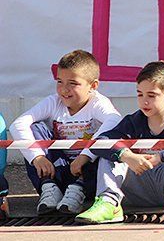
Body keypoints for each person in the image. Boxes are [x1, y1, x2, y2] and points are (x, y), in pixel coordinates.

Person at [75, 62, 164, 224]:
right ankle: (109, 204)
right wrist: (126, 156)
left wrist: (161, 157)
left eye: (151, 96)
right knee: (112, 150)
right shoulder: (132, 122)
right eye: (139, 94)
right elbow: (101, 141)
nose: (144, 101)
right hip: (136, 188)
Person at [9, 50, 121, 215]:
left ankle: (79, 191)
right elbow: (18, 125)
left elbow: (115, 121)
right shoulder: (53, 102)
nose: (64, 90)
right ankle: (49, 188)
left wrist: (85, 156)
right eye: (59, 82)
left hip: (87, 172)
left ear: (93, 86)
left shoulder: (99, 103)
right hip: (58, 171)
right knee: (35, 128)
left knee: (110, 139)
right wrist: (37, 157)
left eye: (73, 83)